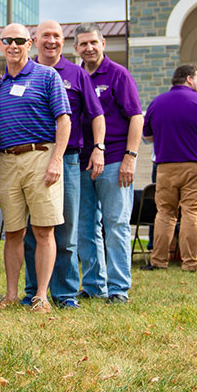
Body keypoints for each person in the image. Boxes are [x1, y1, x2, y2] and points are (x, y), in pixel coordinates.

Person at [0, 23, 71, 313]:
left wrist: (56, 159)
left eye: (20, 41)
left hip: (40, 156)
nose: (13, 45)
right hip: (6, 160)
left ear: (30, 44)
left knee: (43, 230)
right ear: (1, 45)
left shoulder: (47, 76)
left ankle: (41, 296)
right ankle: (11, 295)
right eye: (8, 40)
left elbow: (64, 120)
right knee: (12, 231)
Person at [23, 20, 104, 309]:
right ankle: (33, 290)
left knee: (66, 228)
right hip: (31, 159)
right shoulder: (24, 70)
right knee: (35, 229)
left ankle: (65, 292)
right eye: (46, 35)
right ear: (35, 39)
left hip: (69, 160)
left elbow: (97, 115)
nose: (52, 41)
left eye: (57, 36)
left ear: (63, 41)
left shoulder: (77, 74)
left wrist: (98, 149)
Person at [73, 22, 142, 303]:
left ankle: (118, 288)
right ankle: (93, 285)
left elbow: (137, 117)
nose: (89, 48)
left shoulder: (118, 75)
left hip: (114, 159)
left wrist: (130, 156)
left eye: (94, 42)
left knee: (115, 224)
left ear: (103, 44)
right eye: (83, 44)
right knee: (85, 227)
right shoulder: (75, 75)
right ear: (76, 48)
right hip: (80, 161)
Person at [141, 63, 197, 272]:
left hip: (165, 166)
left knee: (165, 213)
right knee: (192, 214)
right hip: (196, 166)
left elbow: (147, 135)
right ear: (189, 79)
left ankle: (158, 261)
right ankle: (190, 262)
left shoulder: (157, 103)